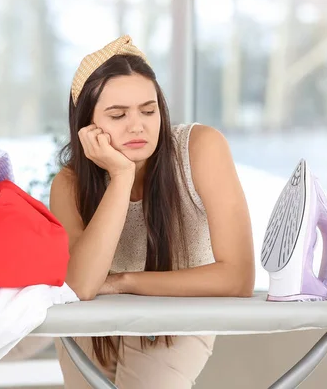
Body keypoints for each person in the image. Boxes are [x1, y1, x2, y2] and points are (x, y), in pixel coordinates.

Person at [49, 35, 255, 389]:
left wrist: (125, 282)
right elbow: (81, 285)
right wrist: (121, 175)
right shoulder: (68, 184)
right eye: (117, 115)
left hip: (179, 315)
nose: (137, 126)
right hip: (97, 318)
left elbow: (238, 278)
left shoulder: (201, 148)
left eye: (148, 110)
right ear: (86, 126)